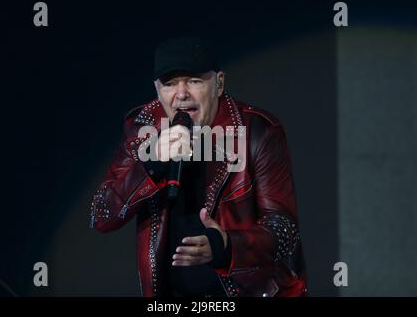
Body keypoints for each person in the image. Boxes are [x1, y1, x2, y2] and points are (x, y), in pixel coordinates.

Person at [90, 37, 306, 297]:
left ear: (219, 84)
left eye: (194, 81)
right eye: (170, 84)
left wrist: (226, 246)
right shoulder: (142, 129)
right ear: (157, 90)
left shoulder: (257, 132)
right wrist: (150, 164)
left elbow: (284, 231)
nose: (181, 94)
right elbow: (102, 215)